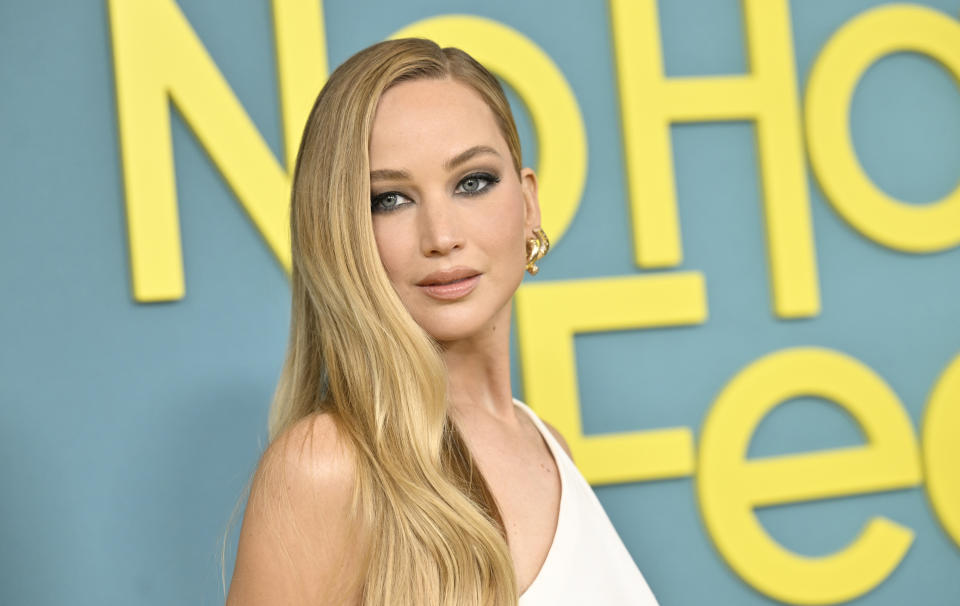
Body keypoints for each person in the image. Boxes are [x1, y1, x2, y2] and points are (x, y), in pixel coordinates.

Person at [225, 37, 660, 606]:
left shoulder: (548, 446)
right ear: (339, 230)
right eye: (389, 199)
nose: (442, 236)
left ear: (528, 204)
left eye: (472, 182)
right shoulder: (328, 468)